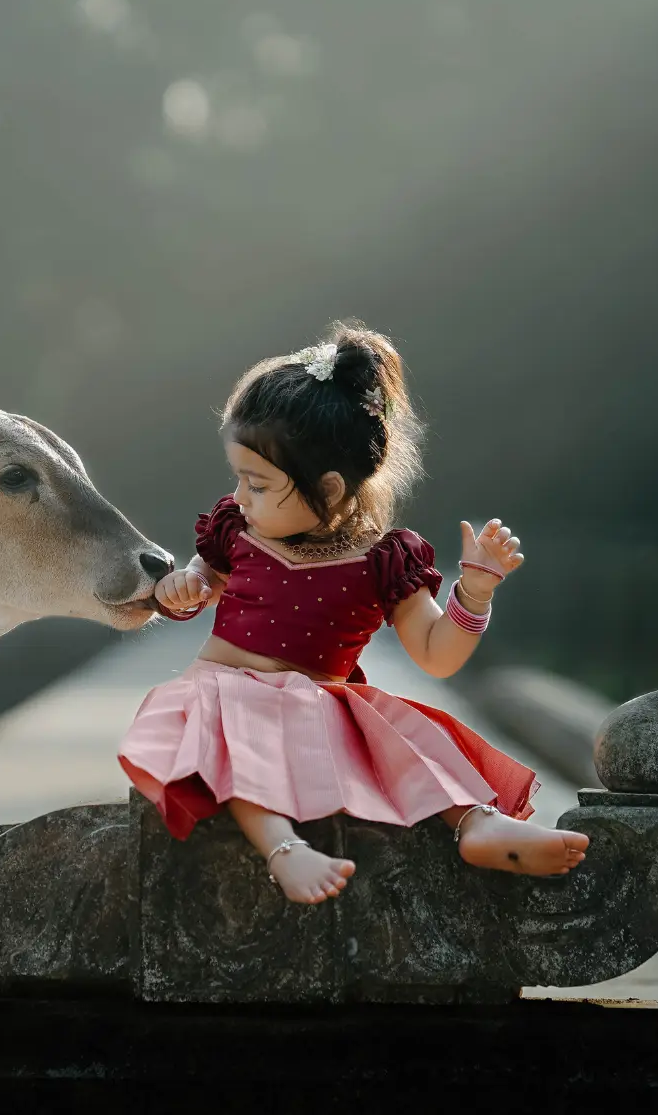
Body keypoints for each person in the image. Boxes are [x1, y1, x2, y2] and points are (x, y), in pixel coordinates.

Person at [119, 325, 589, 905]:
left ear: (331, 487)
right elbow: (197, 584)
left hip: (318, 704)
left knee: (409, 736)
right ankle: (283, 848)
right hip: (222, 690)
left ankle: (477, 824)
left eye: (258, 483)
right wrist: (183, 586)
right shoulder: (235, 531)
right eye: (239, 478)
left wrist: (474, 593)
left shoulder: (383, 560)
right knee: (235, 734)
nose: (240, 495)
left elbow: (435, 655)